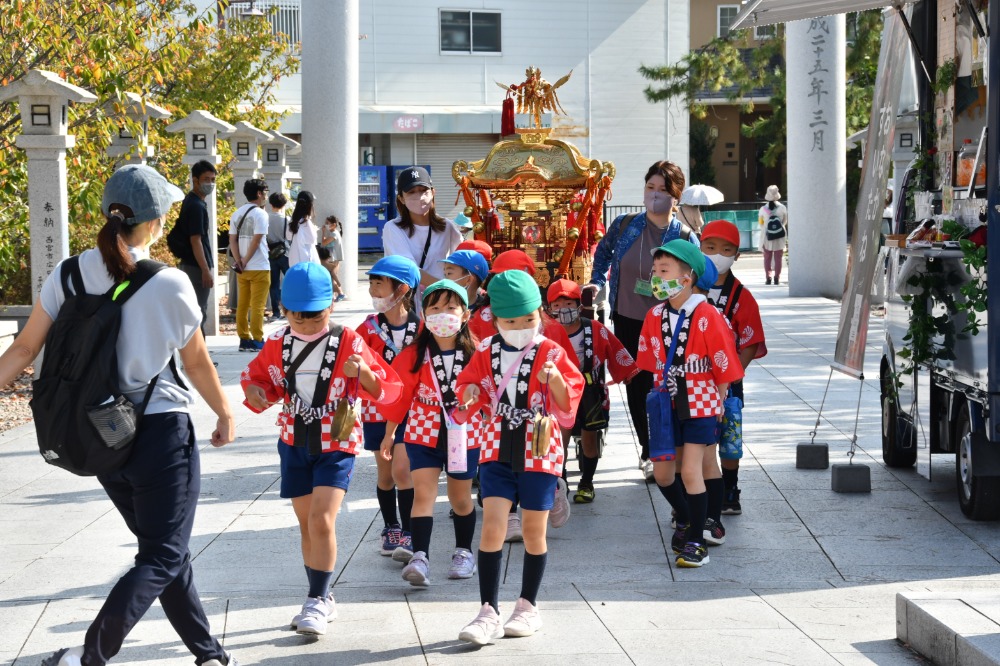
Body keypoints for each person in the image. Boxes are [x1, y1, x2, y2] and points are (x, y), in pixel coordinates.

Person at [0, 164, 237, 666]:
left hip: (98, 436)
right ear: (153, 222)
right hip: (158, 431)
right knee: (164, 553)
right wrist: (224, 412)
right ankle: (90, 655)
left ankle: (208, 653)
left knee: (165, 550)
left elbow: (22, 350)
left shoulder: (66, 274)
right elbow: (194, 361)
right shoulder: (169, 282)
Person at [240, 262, 402, 637]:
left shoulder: (349, 340)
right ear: (284, 310)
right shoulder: (278, 342)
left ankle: (316, 598)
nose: (309, 324)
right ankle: (322, 596)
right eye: (300, 317)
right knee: (306, 524)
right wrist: (255, 392)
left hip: (337, 441)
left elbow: (386, 390)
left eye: (317, 316)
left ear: (331, 306)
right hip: (294, 440)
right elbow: (259, 380)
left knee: (321, 519)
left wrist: (362, 373)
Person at [453, 270, 583, 645]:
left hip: (539, 448)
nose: (521, 326)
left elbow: (567, 402)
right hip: (496, 444)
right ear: (495, 318)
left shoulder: (551, 351)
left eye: (529, 318)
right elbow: (466, 388)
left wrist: (554, 377)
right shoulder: (485, 349)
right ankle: (487, 610)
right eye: (511, 321)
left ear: (539, 312)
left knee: (531, 530)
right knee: (492, 524)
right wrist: (470, 394)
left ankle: (528, 605)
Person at [587, 160, 699, 483]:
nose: (655, 195)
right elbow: (603, 253)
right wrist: (598, 281)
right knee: (636, 386)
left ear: (675, 196)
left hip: (668, 324)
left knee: (663, 385)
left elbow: (698, 273)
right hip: (628, 318)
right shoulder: (625, 225)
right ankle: (649, 450)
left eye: (663, 190)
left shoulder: (683, 236)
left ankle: (669, 447)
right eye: (650, 187)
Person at [635, 240, 743, 568]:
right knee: (666, 474)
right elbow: (649, 360)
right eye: (655, 271)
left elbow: (724, 362)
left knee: (694, 469)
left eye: (664, 271)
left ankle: (697, 541)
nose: (656, 277)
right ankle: (687, 517)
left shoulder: (708, 314)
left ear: (687, 277)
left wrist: (721, 399)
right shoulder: (654, 315)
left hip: (701, 401)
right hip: (667, 403)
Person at [381, 280, 482, 587]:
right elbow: (400, 396)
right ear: (423, 314)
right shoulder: (414, 354)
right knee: (423, 494)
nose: (442, 314)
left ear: (465, 314)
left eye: (451, 307)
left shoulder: (478, 353)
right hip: (422, 431)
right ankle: (420, 557)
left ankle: (464, 553)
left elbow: (492, 393)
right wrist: (390, 434)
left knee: (460, 499)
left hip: (463, 434)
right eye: (434, 308)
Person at [546, 279, 638, 504]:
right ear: (548, 309)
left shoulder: (594, 328)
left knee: (589, 440)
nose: (563, 309)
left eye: (568, 303)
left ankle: (587, 482)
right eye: (557, 305)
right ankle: (561, 484)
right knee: (559, 440)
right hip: (558, 392)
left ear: (579, 305)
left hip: (590, 390)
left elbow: (615, 349)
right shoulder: (545, 332)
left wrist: (626, 372)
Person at [355, 256, 422, 562]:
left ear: (402, 289)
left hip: (411, 411)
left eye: (379, 284)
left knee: (403, 470)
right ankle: (390, 526)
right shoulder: (365, 329)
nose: (373, 290)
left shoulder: (422, 329)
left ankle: (408, 531)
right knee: (385, 475)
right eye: (371, 283)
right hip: (375, 411)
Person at [699, 220, 767, 517]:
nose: (717, 254)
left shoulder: (741, 296)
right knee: (697, 437)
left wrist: (732, 374)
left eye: (726, 250)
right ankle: (697, 488)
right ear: (699, 249)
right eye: (710, 247)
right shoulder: (688, 287)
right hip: (692, 379)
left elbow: (751, 341)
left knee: (729, 435)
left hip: (729, 380)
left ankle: (730, 488)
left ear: (737, 255)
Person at [382, 167, 463, 304]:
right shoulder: (393, 228)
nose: (420, 197)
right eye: (412, 192)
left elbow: (461, 258)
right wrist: (445, 287)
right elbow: (408, 269)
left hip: (441, 302)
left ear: (433, 192)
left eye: (424, 191)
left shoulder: (446, 226)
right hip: (409, 303)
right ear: (401, 198)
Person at [169, 159, 217, 333]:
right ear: (195, 180)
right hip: (196, 267)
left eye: (212, 179)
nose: (210, 183)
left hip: (191, 264)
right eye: (206, 179)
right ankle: (197, 358)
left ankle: (197, 357)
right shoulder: (196, 206)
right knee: (198, 313)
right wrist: (205, 269)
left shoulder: (191, 200)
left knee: (195, 313)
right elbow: (195, 239)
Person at [229, 179, 271, 352]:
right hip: (259, 265)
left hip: (242, 268)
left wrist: (239, 260)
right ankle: (258, 339)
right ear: (259, 193)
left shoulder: (236, 213)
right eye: (265, 192)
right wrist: (246, 260)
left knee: (243, 304)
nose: (266, 195)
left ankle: (244, 338)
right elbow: (257, 240)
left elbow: (232, 240)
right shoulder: (261, 214)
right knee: (258, 306)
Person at [266, 191, 290, 319]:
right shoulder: (287, 219)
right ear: (284, 204)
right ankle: (290, 310)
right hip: (285, 252)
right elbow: (290, 236)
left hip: (271, 253)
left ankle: (276, 312)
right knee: (290, 281)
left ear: (271, 204)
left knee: (273, 284)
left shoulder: (265, 218)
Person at [758, 185, 788, 285]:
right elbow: (784, 221)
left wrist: (767, 227)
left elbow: (761, 223)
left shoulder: (763, 209)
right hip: (779, 236)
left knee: (767, 258)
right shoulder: (782, 208)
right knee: (778, 258)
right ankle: (777, 278)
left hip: (767, 236)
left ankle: (768, 277)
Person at [287, 190, 321, 267]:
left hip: (294, 258)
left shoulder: (293, 221)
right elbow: (312, 239)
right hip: (306, 261)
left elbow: (288, 236)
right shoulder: (306, 222)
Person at [320, 215, 346, 301]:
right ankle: (337, 294)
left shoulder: (334, 234)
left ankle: (340, 292)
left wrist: (323, 232)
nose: (326, 225)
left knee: (331, 276)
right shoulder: (333, 233)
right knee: (332, 276)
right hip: (333, 258)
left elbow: (323, 243)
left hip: (334, 259)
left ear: (334, 225)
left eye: (327, 223)